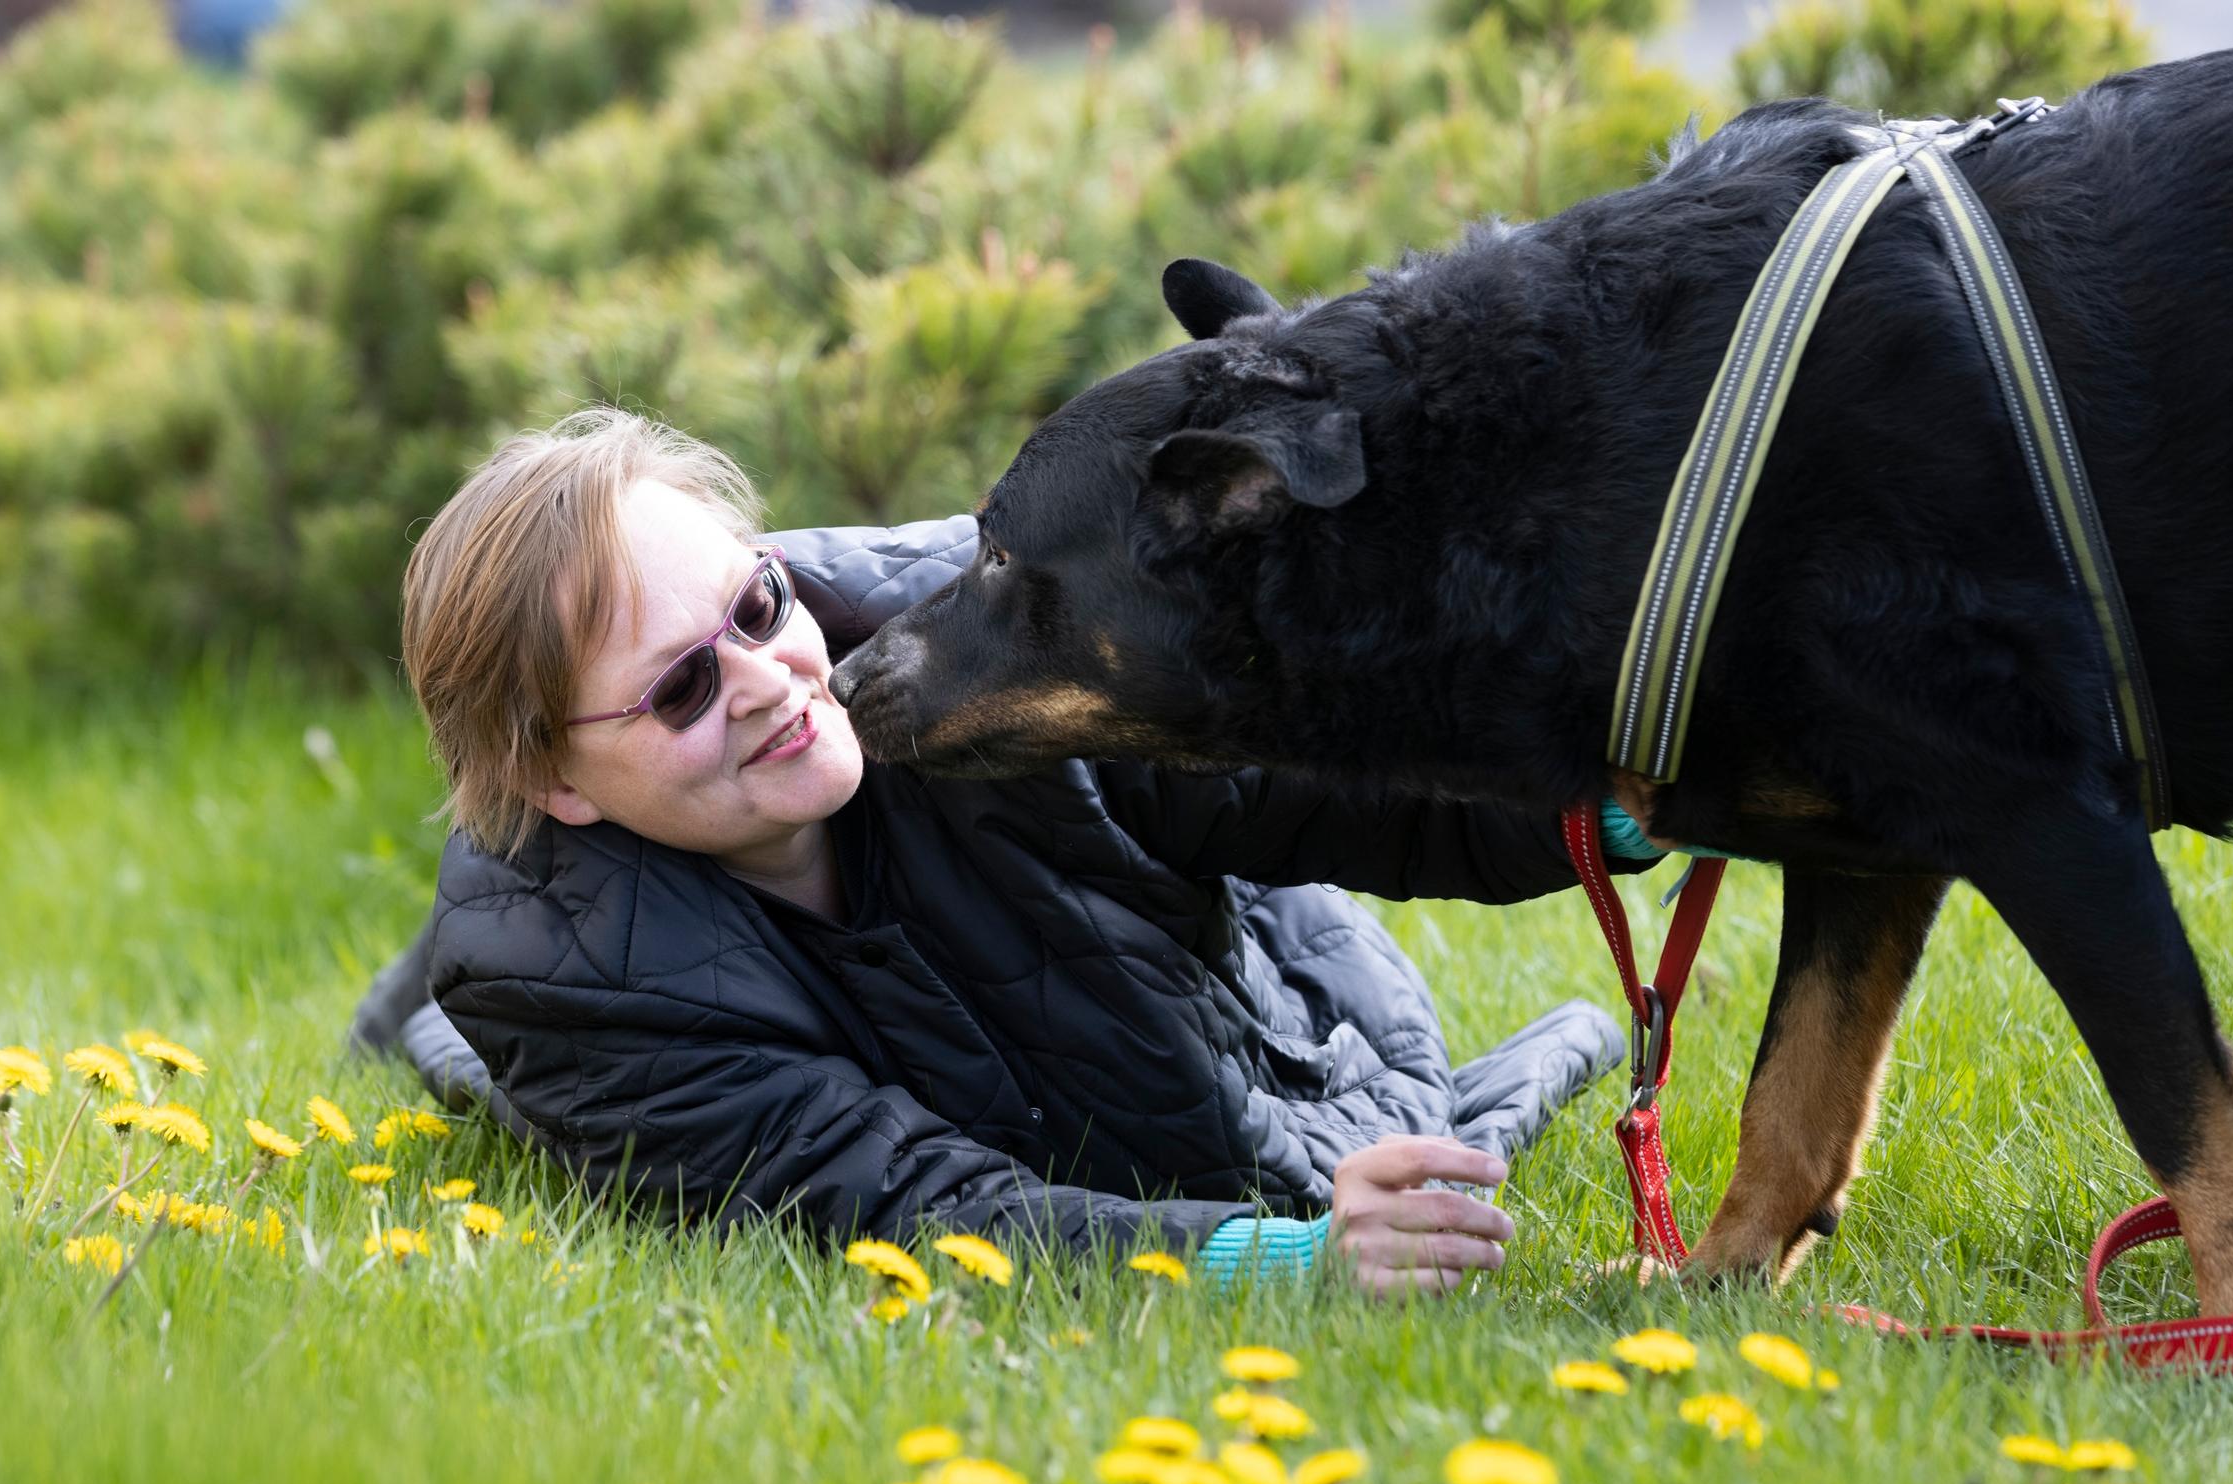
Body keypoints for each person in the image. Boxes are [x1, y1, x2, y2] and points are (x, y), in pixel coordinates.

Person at [351, 407, 1651, 1297]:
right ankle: (413, 1016)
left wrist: (1633, 803)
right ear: (553, 779)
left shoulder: (999, 638)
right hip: (605, 970)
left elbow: (1330, 776)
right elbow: (899, 1200)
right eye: (682, 688)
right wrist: (1277, 1262)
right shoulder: (566, 981)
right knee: (486, 1052)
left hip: (1221, 1019)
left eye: (757, 605)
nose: (767, 679)